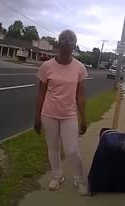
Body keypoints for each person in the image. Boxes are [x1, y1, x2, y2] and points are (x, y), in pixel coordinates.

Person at [34, 29, 88, 194]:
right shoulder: (46, 66)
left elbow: (80, 96)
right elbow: (41, 94)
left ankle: (79, 180)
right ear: (59, 43)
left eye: (70, 39)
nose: (67, 41)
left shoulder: (79, 68)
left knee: (72, 150)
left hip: (69, 116)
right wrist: (37, 118)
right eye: (63, 39)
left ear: (74, 45)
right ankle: (57, 176)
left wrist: (84, 119)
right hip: (48, 114)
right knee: (53, 148)